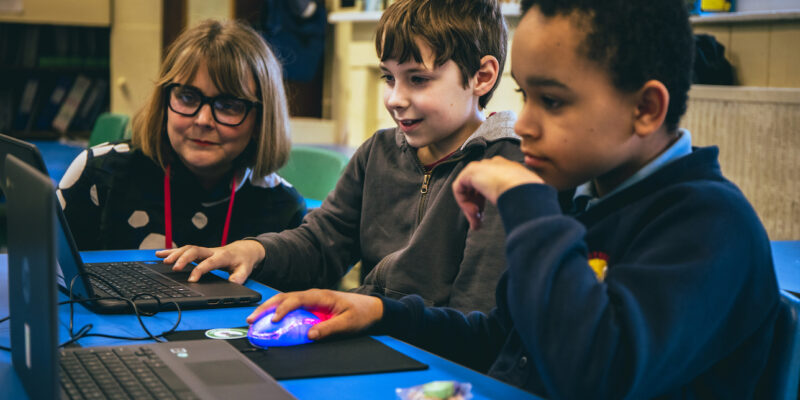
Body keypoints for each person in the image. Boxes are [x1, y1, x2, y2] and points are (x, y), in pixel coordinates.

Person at [245, 0, 780, 398]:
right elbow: (501, 340)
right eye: (526, 96)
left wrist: (531, 208)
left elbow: (598, 374)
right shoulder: (592, 199)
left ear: (645, 108)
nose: (523, 124)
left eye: (552, 101)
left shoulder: (709, 224)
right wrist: (380, 312)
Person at [159, 0, 522, 314]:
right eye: (388, 78)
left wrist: (373, 314)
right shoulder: (378, 153)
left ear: (482, 76)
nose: (395, 98)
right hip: (377, 333)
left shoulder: (504, 169)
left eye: (418, 79)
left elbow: (475, 317)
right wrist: (254, 250)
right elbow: (321, 243)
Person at [57, 20, 306, 251]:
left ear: (261, 120)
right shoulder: (99, 174)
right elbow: (43, 278)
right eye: (187, 97)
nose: (203, 120)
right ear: (164, 100)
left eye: (228, 105)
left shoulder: (284, 209)